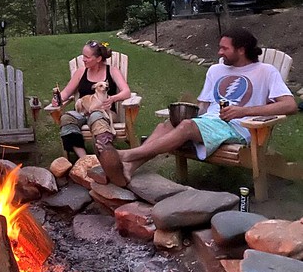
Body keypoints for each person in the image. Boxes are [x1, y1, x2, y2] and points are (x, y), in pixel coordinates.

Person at [99, 28, 298, 187]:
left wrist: (244, 111)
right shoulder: (216, 69)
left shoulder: (265, 71)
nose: (219, 52)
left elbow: (290, 105)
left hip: (239, 127)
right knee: (165, 126)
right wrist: (184, 111)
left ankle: (126, 155)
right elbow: (203, 105)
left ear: (242, 49)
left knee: (185, 127)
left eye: (224, 48)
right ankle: (127, 170)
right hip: (208, 122)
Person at [54, 40, 131, 160]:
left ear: (98, 59)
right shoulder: (80, 72)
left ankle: (106, 158)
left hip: (103, 112)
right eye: (83, 56)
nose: (83, 59)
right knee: (66, 118)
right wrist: (57, 99)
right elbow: (65, 93)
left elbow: (126, 92)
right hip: (82, 112)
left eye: (87, 57)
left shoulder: (112, 71)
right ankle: (85, 160)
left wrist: (113, 99)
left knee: (96, 117)